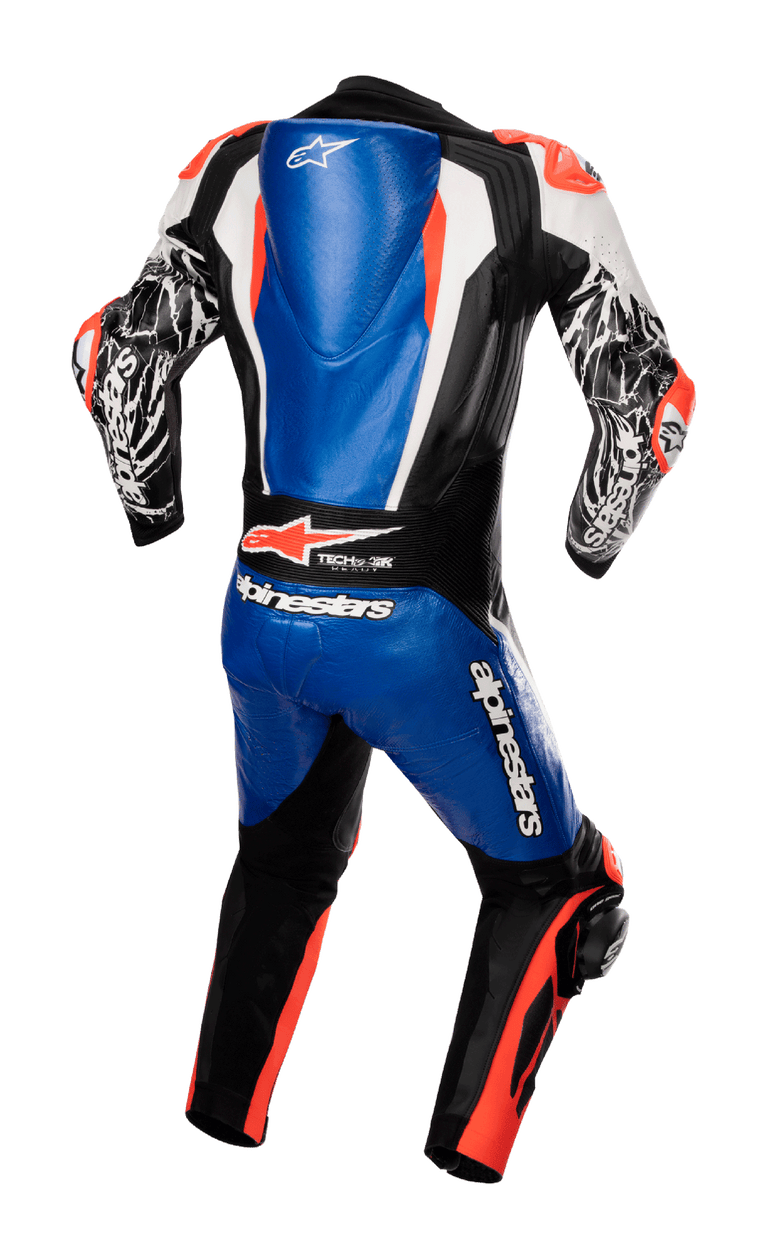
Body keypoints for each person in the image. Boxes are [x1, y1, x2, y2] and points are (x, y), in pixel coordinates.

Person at [71, 74, 696, 1184]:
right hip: (426, 631)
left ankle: (219, 1125)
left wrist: (150, 507)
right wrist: (592, 544)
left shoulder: (227, 167)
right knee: (563, 887)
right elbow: (651, 407)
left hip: (263, 618)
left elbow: (115, 361)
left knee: (285, 858)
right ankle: (465, 1160)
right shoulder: (534, 178)